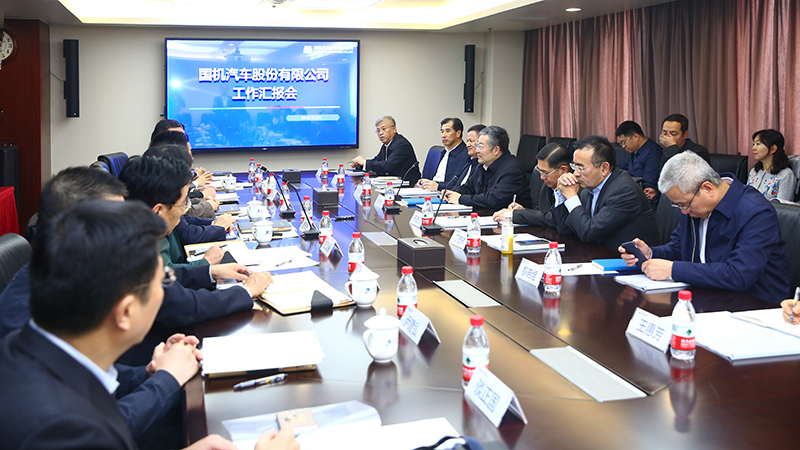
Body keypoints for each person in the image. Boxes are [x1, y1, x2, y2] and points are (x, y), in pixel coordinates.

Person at [0, 199, 297, 450]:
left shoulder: (28, 349)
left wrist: (149, 372)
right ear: (126, 312)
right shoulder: (63, 429)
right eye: (164, 281)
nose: (169, 290)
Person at [619, 151, 789, 304]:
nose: (684, 212)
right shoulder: (695, 208)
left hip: (754, 308)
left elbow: (739, 275)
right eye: (679, 206)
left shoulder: (756, 213)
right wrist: (652, 253)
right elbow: (679, 248)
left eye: (684, 204)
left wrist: (673, 269)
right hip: (705, 297)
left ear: (708, 188)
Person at [552, 135, 659, 250]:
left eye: (581, 168)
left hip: (626, 258)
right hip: (599, 253)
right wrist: (561, 195)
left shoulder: (624, 191)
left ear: (604, 168)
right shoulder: (588, 186)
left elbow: (589, 233)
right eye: (574, 166)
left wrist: (572, 197)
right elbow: (565, 229)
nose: (576, 173)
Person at [445, 125, 530, 211]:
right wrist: (450, 193)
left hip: (504, 217)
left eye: (480, 147)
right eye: (477, 145)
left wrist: (460, 199)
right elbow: (469, 187)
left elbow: (494, 200)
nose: (477, 150)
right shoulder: (482, 165)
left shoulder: (513, 170)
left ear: (496, 150)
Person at [492, 142, 570, 228]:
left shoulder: (574, 190)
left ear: (563, 170)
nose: (542, 177)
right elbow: (543, 212)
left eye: (545, 173)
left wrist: (519, 215)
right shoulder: (546, 187)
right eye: (540, 171)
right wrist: (524, 211)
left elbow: (555, 220)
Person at [350, 116, 421, 184]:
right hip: (394, 183)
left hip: (409, 184)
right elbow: (377, 161)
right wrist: (360, 165)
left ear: (394, 129)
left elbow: (388, 166)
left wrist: (365, 162)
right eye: (378, 130)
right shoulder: (386, 145)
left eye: (384, 129)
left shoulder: (401, 144)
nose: (380, 133)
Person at [417, 117, 470, 191]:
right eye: (442, 131)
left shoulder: (466, 155)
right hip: (434, 191)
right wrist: (427, 183)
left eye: (447, 131)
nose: (443, 135)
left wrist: (437, 186)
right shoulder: (444, 152)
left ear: (458, 133)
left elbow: (458, 185)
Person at [616, 120, 663, 202]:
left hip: (642, 197)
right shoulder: (634, 150)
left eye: (624, 142)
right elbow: (625, 167)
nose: (623, 146)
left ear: (636, 137)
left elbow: (649, 182)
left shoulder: (654, 153)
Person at [747, 129, 796, 201]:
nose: (753, 148)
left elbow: (782, 205)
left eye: (758, 144)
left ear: (773, 149)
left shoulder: (786, 175)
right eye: (753, 144)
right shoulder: (754, 171)